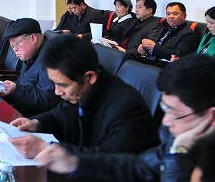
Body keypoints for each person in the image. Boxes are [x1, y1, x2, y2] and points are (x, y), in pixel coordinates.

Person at [35, 54, 215, 182]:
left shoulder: (182, 143)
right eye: (165, 109)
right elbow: (138, 165)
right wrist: (75, 163)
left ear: (211, 116)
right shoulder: (186, 138)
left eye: (175, 113)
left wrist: (179, 154)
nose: (166, 122)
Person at [8, 33, 158, 159]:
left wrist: (48, 148)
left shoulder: (127, 107)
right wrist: (36, 123)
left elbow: (112, 160)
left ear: (89, 77)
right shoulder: (79, 90)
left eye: (62, 85)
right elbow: (58, 114)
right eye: (54, 83)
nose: (57, 92)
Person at [0, 18, 57, 117]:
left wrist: (16, 89)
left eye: (17, 44)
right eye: (12, 46)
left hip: (34, 118)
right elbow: (25, 82)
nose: (15, 50)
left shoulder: (50, 58)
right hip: (20, 108)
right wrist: (8, 89)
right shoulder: (30, 53)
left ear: (33, 38)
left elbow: (48, 100)